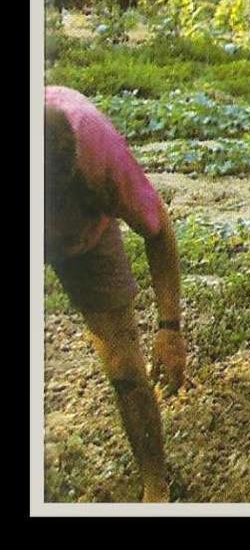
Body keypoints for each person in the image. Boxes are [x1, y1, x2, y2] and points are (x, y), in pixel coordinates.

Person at [44, 85, 186, 502]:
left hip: (88, 236)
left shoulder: (99, 150)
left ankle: (154, 487)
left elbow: (158, 230)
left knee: (125, 367)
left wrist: (169, 328)